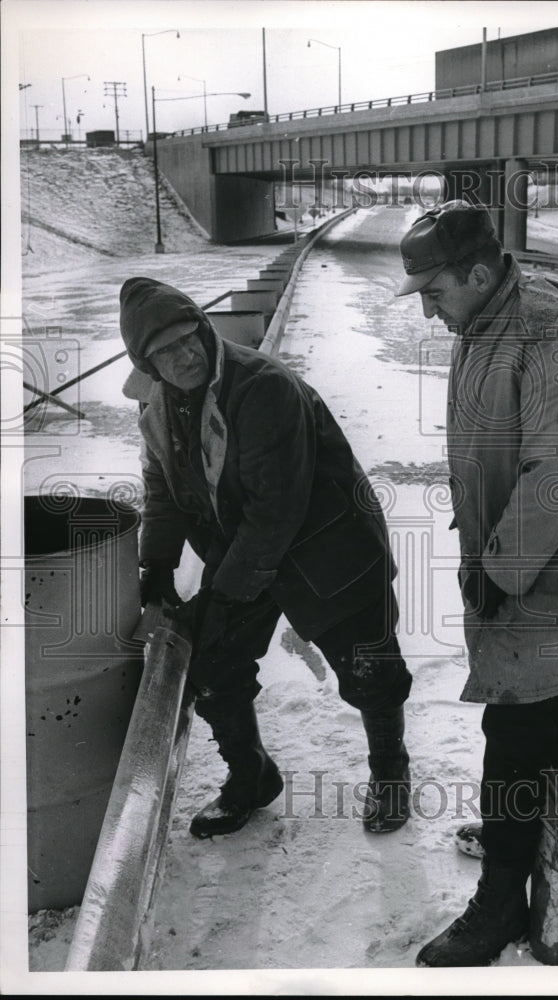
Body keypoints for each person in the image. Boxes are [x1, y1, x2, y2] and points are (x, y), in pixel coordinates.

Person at [395, 200, 558, 967]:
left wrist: (498, 572)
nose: (430, 311)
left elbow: (556, 479)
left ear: (478, 273)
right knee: (530, 726)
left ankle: (502, 900)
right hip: (518, 568)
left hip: (547, 578)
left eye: (434, 292)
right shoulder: (485, 321)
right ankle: (526, 833)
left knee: (515, 733)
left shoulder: (548, 334)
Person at [119, 276, 412, 840]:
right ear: (147, 363)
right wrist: (155, 566)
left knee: (371, 671)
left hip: (329, 545)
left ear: (205, 331)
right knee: (212, 659)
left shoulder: (261, 387)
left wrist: (226, 594)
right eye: (165, 352)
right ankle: (250, 778)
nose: (184, 357)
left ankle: (391, 775)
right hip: (245, 546)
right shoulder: (156, 406)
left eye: (190, 340)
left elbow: (275, 510)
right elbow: (162, 488)